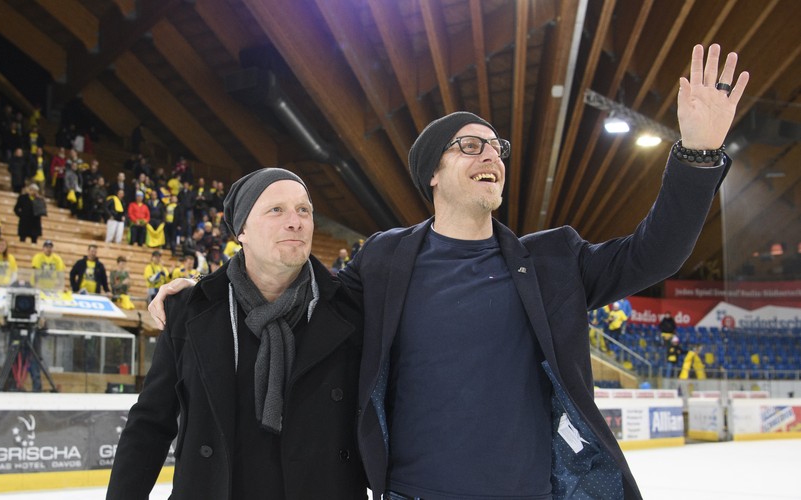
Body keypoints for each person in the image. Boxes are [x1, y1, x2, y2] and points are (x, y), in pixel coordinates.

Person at [148, 44, 749, 499]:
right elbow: (293, 294)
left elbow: (655, 254)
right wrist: (202, 292)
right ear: (431, 174)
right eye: (470, 146)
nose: (492, 154)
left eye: (496, 148)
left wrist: (697, 154)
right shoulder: (383, 260)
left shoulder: (553, 261)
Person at [107, 168, 367, 499]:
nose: (295, 221)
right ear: (241, 229)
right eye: (277, 210)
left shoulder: (349, 309)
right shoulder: (190, 310)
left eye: (304, 210)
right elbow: (150, 424)